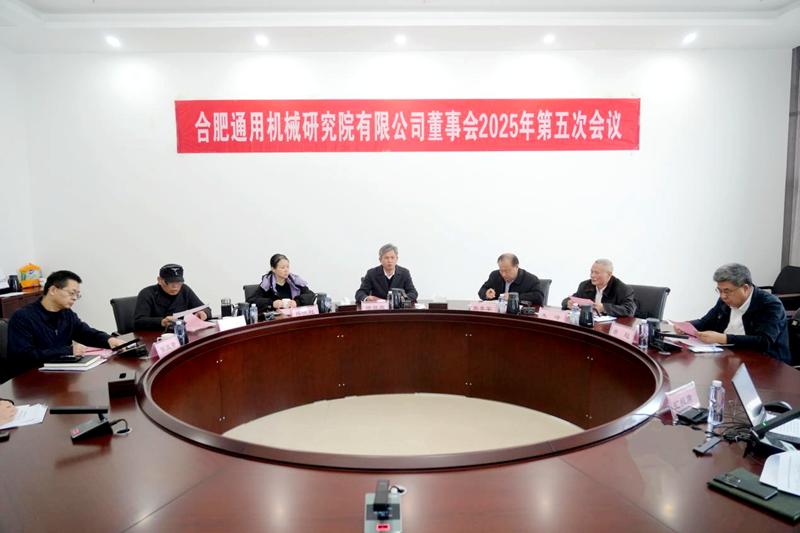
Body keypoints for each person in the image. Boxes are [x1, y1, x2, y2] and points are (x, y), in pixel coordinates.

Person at [7, 270, 124, 378]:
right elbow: (23, 356)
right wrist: (67, 350)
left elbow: (86, 333)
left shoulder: (66, 314)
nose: (75, 298)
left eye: (77, 295)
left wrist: (109, 340)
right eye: (72, 293)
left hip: (59, 375)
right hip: (31, 380)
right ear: (53, 290)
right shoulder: (22, 317)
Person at [679, 263, 791, 364]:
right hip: (729, 356)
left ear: (745, 288)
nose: (723, 296)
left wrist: (723, 338)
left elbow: (763, 342)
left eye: (727, 291)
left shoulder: (770, 305)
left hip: (766, 363)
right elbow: (707, 322)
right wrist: (686, 325)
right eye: (720, 291)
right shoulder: (725, 301)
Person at [133, 264, 212, 330]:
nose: (175, 286)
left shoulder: (184, 290)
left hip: (180, 334)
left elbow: (205, 309)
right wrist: (162, 322)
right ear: (160, 280)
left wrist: (203, 313)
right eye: (170, 282)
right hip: (154, 337)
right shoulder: (147, 293)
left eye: (179, 282)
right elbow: (138, 321)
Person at [561, 259, 636, 317]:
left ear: (609, 274)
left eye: (596, 273)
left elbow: (629, 310)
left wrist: (604, 308)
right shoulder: (585, 285)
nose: (592, 275)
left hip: (610, 328)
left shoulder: (623, 289)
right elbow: (570, 299)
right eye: (591, 272)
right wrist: (568, 303)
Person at [247, 254, 316, 312]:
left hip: (293, 318)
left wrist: (297, 302)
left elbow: (311, 295)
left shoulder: (294, 281)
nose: (286, 270)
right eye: (283, 267)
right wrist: (272, 303)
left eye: (288, 267)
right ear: (273, 269)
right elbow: (250, 301)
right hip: (275, 320)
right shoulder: (267, 284)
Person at [478, 253, 544, 305]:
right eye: (501, 270)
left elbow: (539, 297)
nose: (503, 274)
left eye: (507, 271)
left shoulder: (530, 279)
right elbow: (482, 290)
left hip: (519, 315)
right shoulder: (495, 275)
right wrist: (487, 294)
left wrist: (513, 297)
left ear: (516, 267)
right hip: (499, 314)